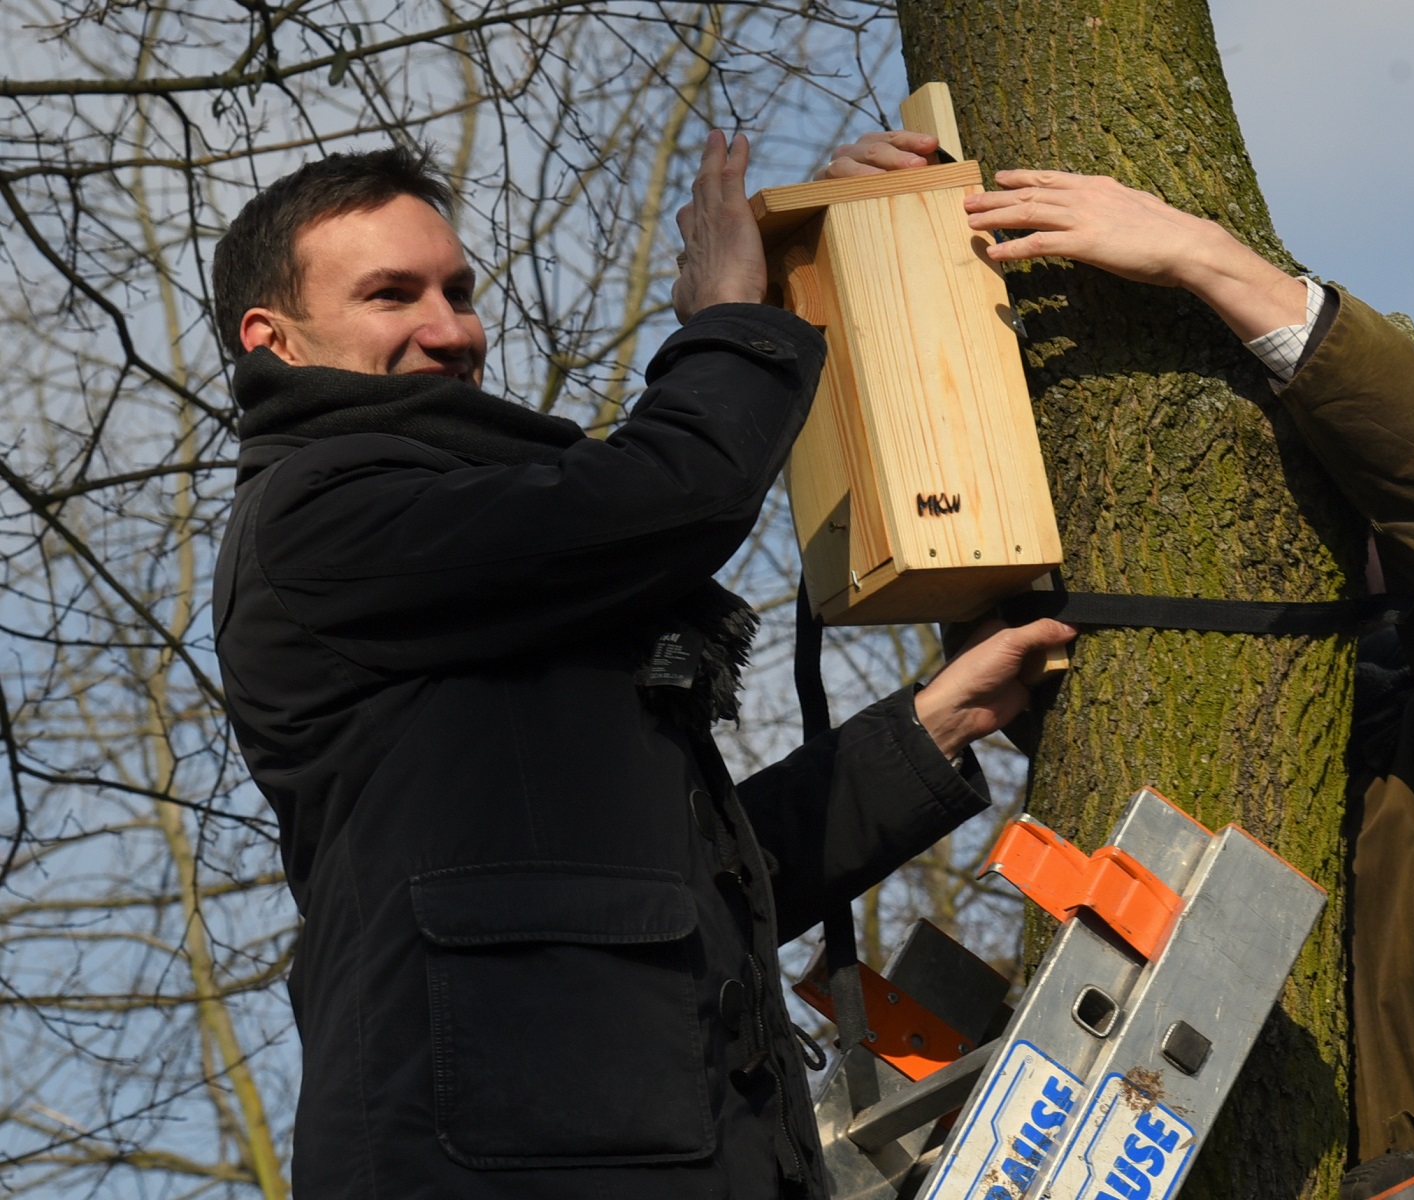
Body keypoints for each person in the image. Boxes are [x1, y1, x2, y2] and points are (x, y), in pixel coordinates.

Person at [820, 132, 1414, 1200]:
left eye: (1342, 496)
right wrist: (867, 284)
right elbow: (1039, 617)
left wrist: (1214, 264)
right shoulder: (1207, 707)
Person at [210, 131, 1074, 1199]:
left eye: (459, 290)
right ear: (275, 341)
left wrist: (929, 731)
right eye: (393, 296)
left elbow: (676, 888)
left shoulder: (475, 571)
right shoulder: (317, 515)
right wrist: (729, 320)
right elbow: (671, 494)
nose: (452, 331)